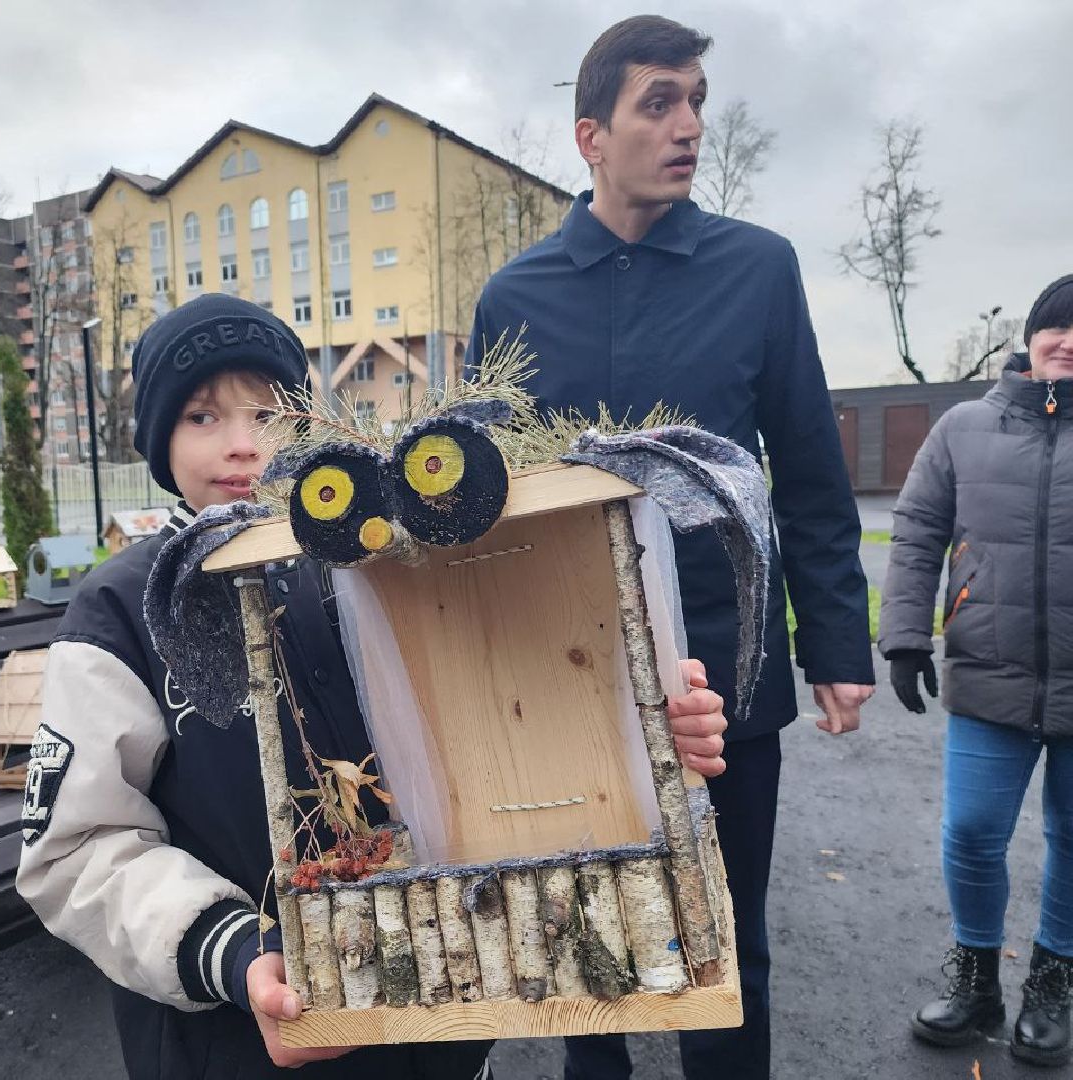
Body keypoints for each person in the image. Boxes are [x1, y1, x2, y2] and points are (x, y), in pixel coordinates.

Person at [16, 293, 733, 1079]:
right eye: (201, 417)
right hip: (238, 1048)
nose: (241, 445)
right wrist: (235, 953)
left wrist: (647, 729)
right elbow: (79, 852)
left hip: (436, 1031)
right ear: (158, 439)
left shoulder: (377, 563)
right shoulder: (125, 609)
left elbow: (509, 722)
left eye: (268, 413)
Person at [467, 16, 875, 1080]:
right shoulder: (515, 298)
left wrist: (836, 643)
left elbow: (810, 473)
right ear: (591, 136)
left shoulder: (759, 270)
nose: (689, 123)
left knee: (727, 945)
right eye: (660, 102)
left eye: (696, 98)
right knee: (580, 938)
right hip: (564, 678)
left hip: (725, 669)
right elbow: (483, 502)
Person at [880, 273, 1073, 1068]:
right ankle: (976, 980)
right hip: (989, 667)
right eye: (1058, 326)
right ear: (1031, 336)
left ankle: (1053, 984)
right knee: (971, 833)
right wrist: (903, 638)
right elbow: (919, 530)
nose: (1069, 341)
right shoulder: (962, 426)